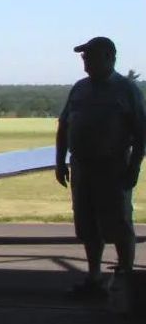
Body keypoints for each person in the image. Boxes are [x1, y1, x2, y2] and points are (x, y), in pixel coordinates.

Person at [55, 36, 145, 299]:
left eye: (90, 56)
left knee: (118, 223)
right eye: (84, 57)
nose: (85, 61)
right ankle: (94, 278)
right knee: (87, 225)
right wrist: (60, 162)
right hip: (82, 166)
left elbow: (141, 133)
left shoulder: (126, 90)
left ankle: (126, 280)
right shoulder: (79, 88)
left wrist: (134, 167)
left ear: (109, 57)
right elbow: (64, 126)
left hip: (113, 167)